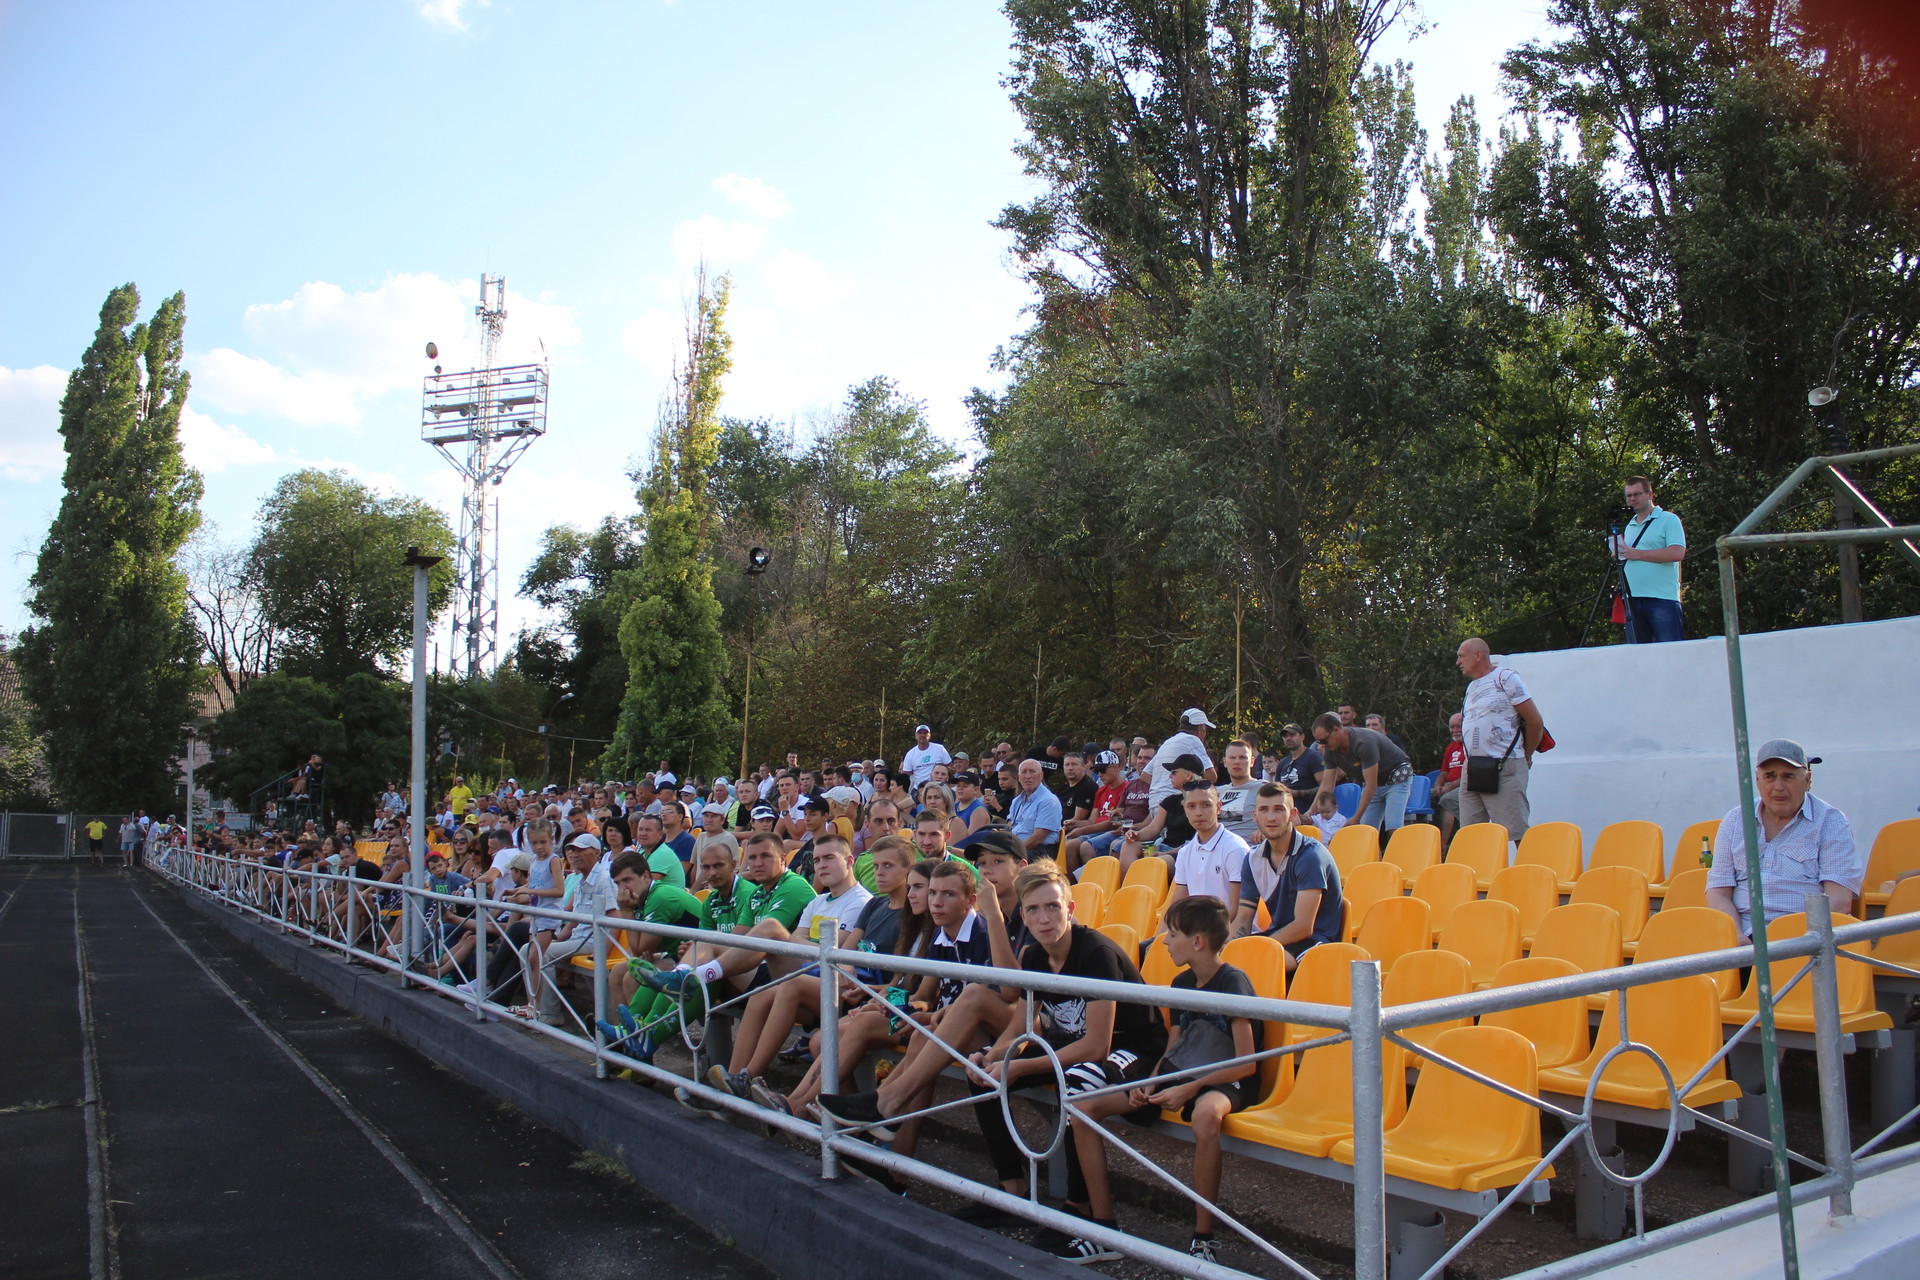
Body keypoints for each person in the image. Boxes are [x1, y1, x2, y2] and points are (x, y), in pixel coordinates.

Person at [971, 864, 1165, 1261]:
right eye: (1034, 909)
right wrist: (993, 1057)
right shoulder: (1034, 955)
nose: (1044, 918)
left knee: (1076, 1082)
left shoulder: (1096, 954)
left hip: (1135, 1049)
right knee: (983, 1079)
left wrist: (1021, 1066)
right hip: (1075, 1048)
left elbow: (1097, 1046)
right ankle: (1014, 1193)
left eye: (1053, 907)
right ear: (1023, 916)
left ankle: (1095, 1221)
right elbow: (1022, 1024)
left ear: (1070, 909)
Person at [1066, 895, 1258, 1264]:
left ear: (1197, 942)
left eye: (1172, 934)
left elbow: (1246, 1063)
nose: (1164, 941)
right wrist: (1150, 1083)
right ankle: (1104, 1229)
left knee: (1205, 1115)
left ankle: (1203, 1239)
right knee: (1084, 1108)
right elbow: (1173, 1047)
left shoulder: (1232, 982)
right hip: (1185, 1073)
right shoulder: (1181, 982)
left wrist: (1191, 1087)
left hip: (1226, 1078)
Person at [710, 835, 872, 1097]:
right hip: (804, 974)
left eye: (829, 858)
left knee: (772, 930)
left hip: (832, 987)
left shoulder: (860, 901)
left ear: (850, 861)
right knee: (760, 995)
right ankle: (733, 1081)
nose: (821, 865)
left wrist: (803, 943)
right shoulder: (818, 901)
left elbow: (834, 949)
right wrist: (807, 944)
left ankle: (747, 1077)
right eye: (817, 860)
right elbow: (798, 941)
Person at [1706, 739, 1861, 938]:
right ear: (1757, 780)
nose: (1778, 787)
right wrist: (1736, 936)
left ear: (1807, 780)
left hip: (1805, 938)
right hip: (1743, 936)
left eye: (1788, 777)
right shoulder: (1735, 820)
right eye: (1769, 776)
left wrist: (1794, 942)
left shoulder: (1831, 822)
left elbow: (1839, 902)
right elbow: (1718, 892)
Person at [1231, 785, 1342, 968]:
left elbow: (1304, 926)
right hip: (1278, 937)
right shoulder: (1252, 859)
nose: (1271, 817)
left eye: (1279, 809)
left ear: (1293, 814)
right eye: (1264, 810)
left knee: (1260, 964)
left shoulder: (1310, 856)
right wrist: (1227, 948)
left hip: (1317, 941)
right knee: (1222, 963)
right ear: (1255, 815)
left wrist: (1261, 947)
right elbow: (1243, 917)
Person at [1455, 637, 1545, 844]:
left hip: (1504, 765)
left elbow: (1535, 722)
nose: (1458, 662)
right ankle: (1478, 866)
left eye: (1461, 656)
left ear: (1478, 655)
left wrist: (1526, 756)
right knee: (1470, 834)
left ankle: (1529, 865)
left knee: (1515, 830)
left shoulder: (1505, 677)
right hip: (1473, 768)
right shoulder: (1472, 687)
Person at [533, 834, 616, 1028]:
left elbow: (615, 916)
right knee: (528, 950)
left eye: (581, 850)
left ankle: (550, 1014)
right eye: (572, 850)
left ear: (596, 852)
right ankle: (535, 1006)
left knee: (542, 953)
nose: (575, 854)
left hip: (593, 941)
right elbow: (572, 923)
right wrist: (557, 940)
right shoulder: (580, 881)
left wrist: (604, 950)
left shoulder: (604, 879)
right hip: (579, 939)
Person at [1309, 712, 1415, 833]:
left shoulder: (1363, 743)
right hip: (1376, 782)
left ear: (1336, 729)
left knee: (1393, 827)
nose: (1322, 745)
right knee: (1366, 831)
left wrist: (1356, 818)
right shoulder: (1330, 749)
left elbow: (1371, 784)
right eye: (1319, 742)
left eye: (1324, 740)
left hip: (1396, 777)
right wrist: (1310, 812)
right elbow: (1327, 785)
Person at [1616, 474, 1687, 644]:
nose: (1632, 499)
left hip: (1661, 598)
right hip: (1632, 598)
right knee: (1638, 654)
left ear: (1650, 494)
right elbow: (1631, 554)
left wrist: (1637, 554)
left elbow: (1677, 553)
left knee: (1669, 651)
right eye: (1629, 496)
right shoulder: (1631, 525)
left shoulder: (1668, 519)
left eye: (1637, 494)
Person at [1164, 782, 1248, 916]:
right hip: (1197, 927)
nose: (1198, 813)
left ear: (1218, 807)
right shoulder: (1185, 853)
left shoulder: (1235, 848)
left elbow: (1237, 912)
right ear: (1185, 810)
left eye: (1206, 805)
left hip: (1229, 927)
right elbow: (1176, 908)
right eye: (1191, 806)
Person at [1118, 754, 1205, 871]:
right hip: (1165, 847)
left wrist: (1166, 853)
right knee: (1128, 846)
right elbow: (1152, 829)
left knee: (1158, 862)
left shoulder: (1203, 804)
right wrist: (1135, 835)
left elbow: (1198, 841)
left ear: (1188, 775)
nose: (1170, 776)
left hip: (1186, 852)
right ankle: (1130, 882)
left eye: (1174, 772)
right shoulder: (1170, 801)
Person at [1144, 709, 1218, 807]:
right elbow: (1211, 776)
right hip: (1175, 804)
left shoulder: (1167, 742)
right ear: (1200, 727)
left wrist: (1161, 788)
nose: (1205, 734)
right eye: (1205, 730)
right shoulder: (1193, 740)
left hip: (1154, 803)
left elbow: (1145, 775)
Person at [1007, 758, 1064, 855]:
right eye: (1024, 772)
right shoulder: (1017, 801)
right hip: (1017, 847)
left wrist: (1011, 853)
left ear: (1041, 775)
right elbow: (1009, 827)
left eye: (1032, 771)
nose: (1028, 776)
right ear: (1019, 777)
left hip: (1040, 851)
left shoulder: (1048, 801)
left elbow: (1037, 838)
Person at [1214, 741, 1262, 842]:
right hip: (1217, 846)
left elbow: (1288, 818)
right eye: (1232, 757)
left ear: (1252, 762)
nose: (1237, 762)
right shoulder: (1216, 792)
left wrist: (1265, 831)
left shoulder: (1264, 788)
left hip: (1249, 847)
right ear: (1225, 762)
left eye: (1242, 757)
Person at [1273, 722, 1324, 813]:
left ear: (1302, 737)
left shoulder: (1313, 757)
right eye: (1285, 736)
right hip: (1285, 811)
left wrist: (1297, 793)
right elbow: (1277, 789)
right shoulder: (1282, 763)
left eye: (1292, 735)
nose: (1288, 738)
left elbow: (1324, 788)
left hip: (1309, 812)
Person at [1435, 713, 1467, 844]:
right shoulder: (1451, 747)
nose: (1455, 730)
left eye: (1458, 726)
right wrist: (1438, 786)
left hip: (1465, 785)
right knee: (1428, 797)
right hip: (1448, 785)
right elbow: (1443, 772)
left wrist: (1449, 787)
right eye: (1452, 727)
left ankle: (1442, 844)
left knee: (1447, 799)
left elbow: (1469, 774)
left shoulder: (1470, 746)